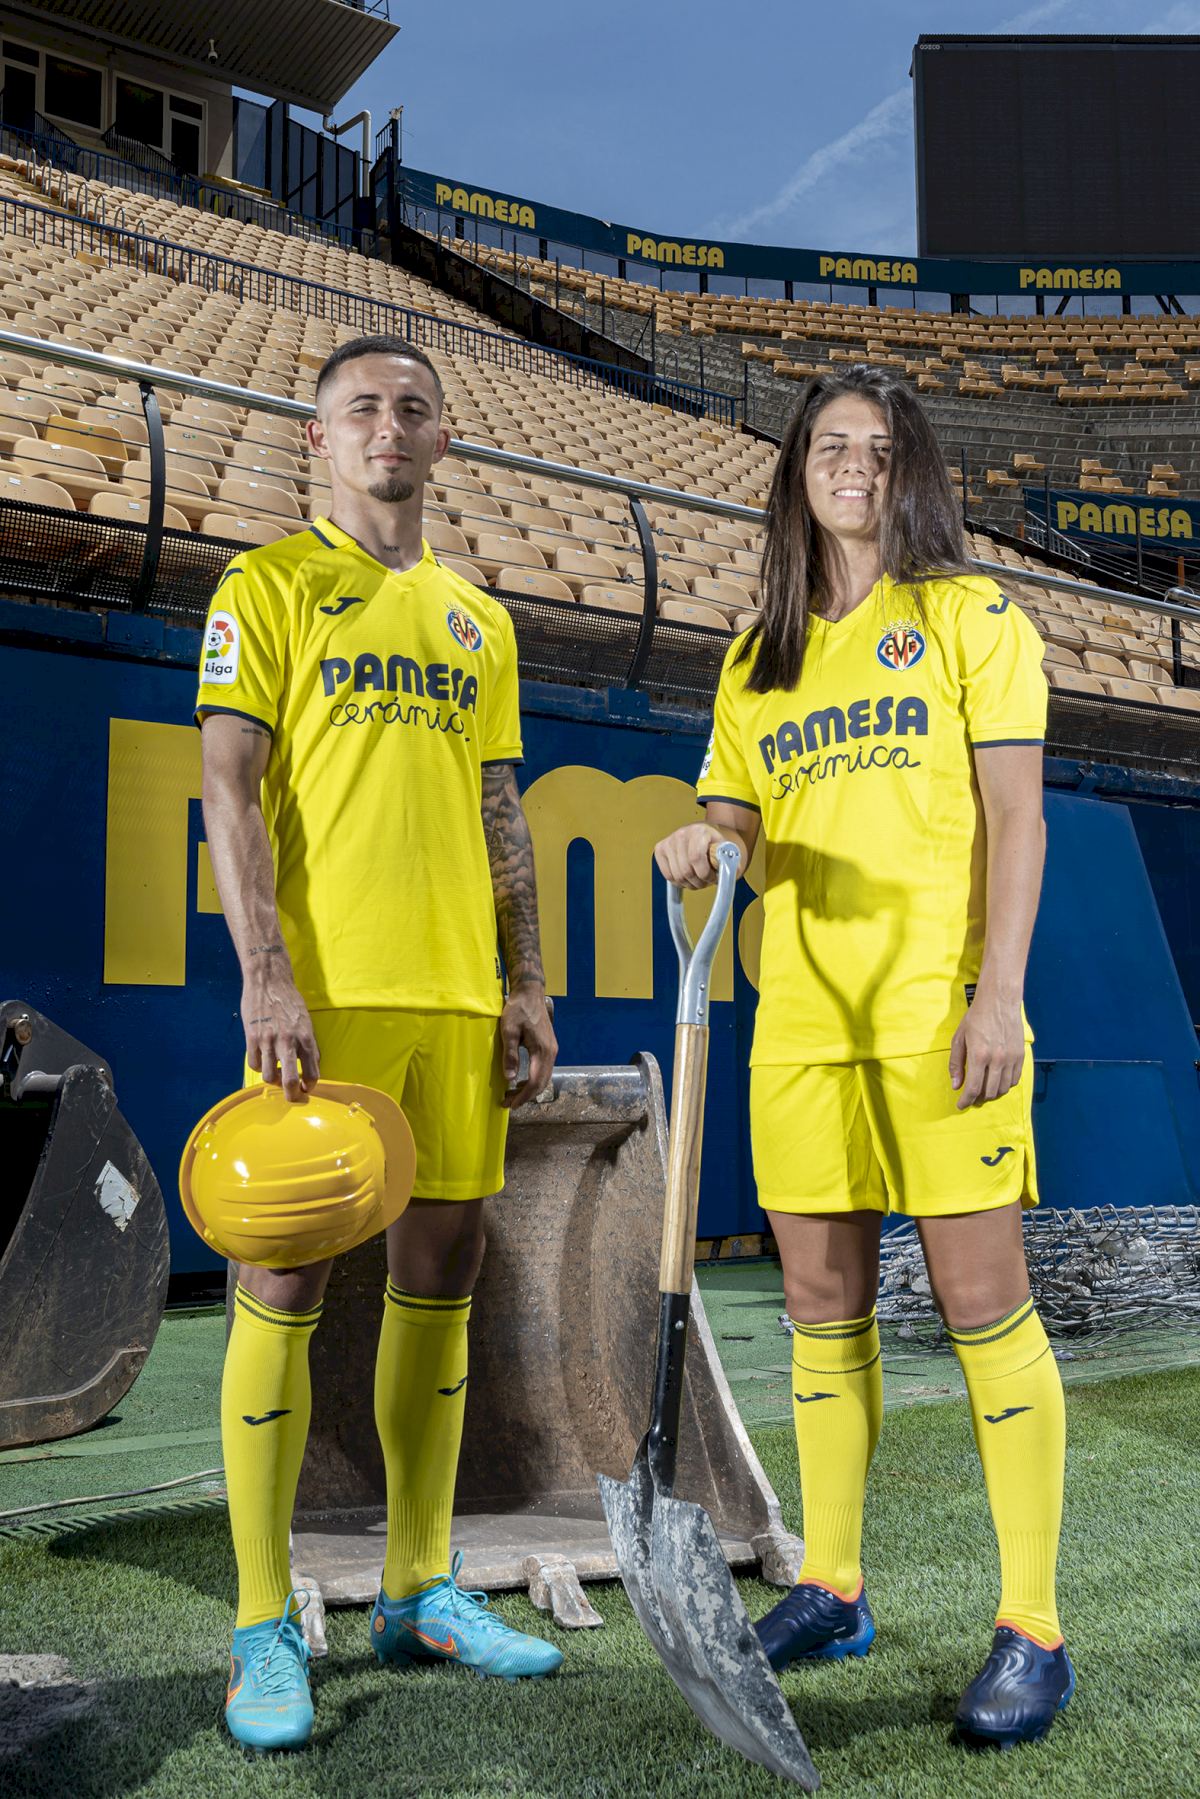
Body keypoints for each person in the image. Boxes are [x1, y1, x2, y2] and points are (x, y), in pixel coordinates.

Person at [654, 365, 1072, 1751]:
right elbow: (735, 822)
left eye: (881, 448)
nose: (854, 465)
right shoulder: (757, 655)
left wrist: (998, 996)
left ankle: (1033, 1625)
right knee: (820, 1307)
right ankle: (832, 1584)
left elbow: (1019, 822)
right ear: (797, 471)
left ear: (914, 471)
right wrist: (704, 839)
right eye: (831, 444)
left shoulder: (971, 618)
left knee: (982, 1305)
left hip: (941, 1019)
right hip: (802, 1027)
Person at [196, 334, 562, 1752]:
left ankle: (419, 1588)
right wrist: (266, 975)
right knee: (280, 1275)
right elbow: (229, 792)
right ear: (319, 438)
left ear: (445, 439)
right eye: (362, 409)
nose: (389, 428)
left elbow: (502, 815)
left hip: (458, 998)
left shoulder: (480, 621)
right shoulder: (266, 588)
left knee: (442, 1280)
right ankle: (260, 1623)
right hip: (325, 999)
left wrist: (526, 981)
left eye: (413, 408)